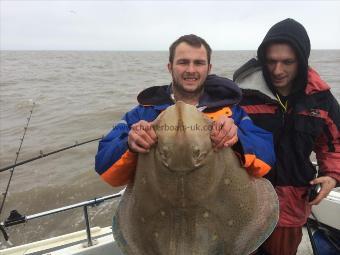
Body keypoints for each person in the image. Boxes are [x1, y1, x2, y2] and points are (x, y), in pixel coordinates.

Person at [95, 34, 275, 190]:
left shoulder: (231, 112)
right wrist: (129, 144)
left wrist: (238, 141)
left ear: (209, 68)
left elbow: (266, 158)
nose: (191, 70)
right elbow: (105, 168)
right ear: (170, 67)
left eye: (198, 63)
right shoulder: (142, 114)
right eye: (183, 62)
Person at [233, 18, 340, 255]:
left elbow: (334, 143)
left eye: (287, 62)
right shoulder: (241, 95)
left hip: (292, 202)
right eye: (271, 61)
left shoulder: (320, 100)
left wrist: (332, 175)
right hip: (246, 200)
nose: (278, 70)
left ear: (301, 61)